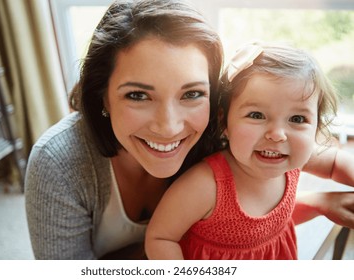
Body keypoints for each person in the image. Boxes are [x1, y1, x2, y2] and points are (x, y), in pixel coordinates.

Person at [25, 0, 354, 260]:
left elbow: (243, 226)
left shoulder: (231, 129)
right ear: (103, 95)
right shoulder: (59, 163)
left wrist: (319, 203)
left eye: (192, 93)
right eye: (138, 95)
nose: (168, 126)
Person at [145, 42, 354, 260]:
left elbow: (336, 162)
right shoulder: (206, 185)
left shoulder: (294, 157)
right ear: (224, 122)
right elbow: (161, 238)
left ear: (317, 125)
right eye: (256, 115)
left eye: (297, 119)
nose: (277, 134)